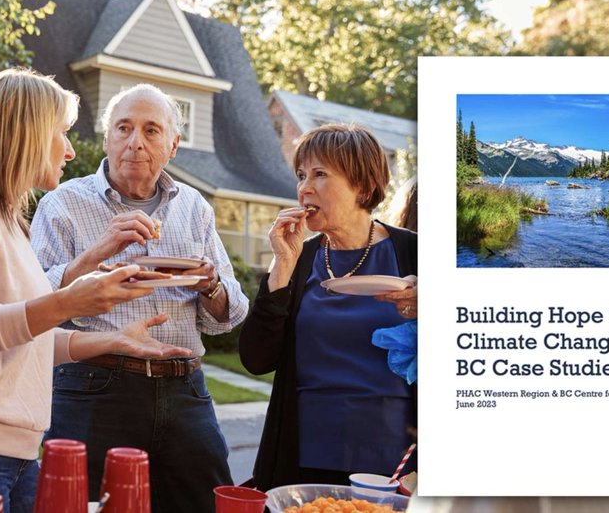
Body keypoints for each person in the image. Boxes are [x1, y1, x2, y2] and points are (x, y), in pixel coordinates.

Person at [0, 68, 190, 513]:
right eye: (62, 132)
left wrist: (115, 342)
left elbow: (21, 338)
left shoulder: (9, 221)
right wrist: (68, 301)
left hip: (9, 453)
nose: (69, 151)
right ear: (27, 132)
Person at [31, 84, 249, 512]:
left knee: (207, 505)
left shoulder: (193, 207)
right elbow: (31, 302)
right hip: (94, 385)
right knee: (83, 505)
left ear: (173, 145)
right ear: (107, 135)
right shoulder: (63, 203)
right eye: (124, 128)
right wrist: (94, 257)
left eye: (151, 130)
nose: (135, 142)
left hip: (185, 385)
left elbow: (230, 315)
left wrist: (209, 284)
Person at [238, 123, 418, 490]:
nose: (304, 188)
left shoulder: (415, 252)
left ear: (363, 187)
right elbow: (256, 359)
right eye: (301, 175)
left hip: (394, 460)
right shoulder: (297, 259)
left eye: (320, 175)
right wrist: (281, 268)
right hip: (304, 453)